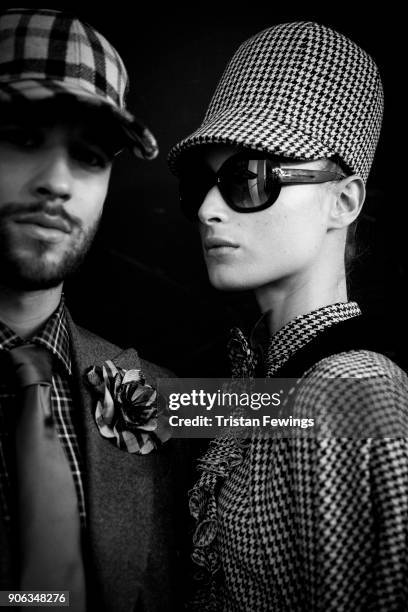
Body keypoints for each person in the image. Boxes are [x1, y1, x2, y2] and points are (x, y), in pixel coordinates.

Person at [168, 21, 408, 612]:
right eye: (202, 181)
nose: (206, 209)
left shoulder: (348, 391)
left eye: (246, 178)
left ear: (342, 201)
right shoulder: (277, 381)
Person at [0, 8, 187, 612]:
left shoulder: (155, 396)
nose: (57, 181)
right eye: (24, 137)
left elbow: (311, 408)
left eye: (89, 156)